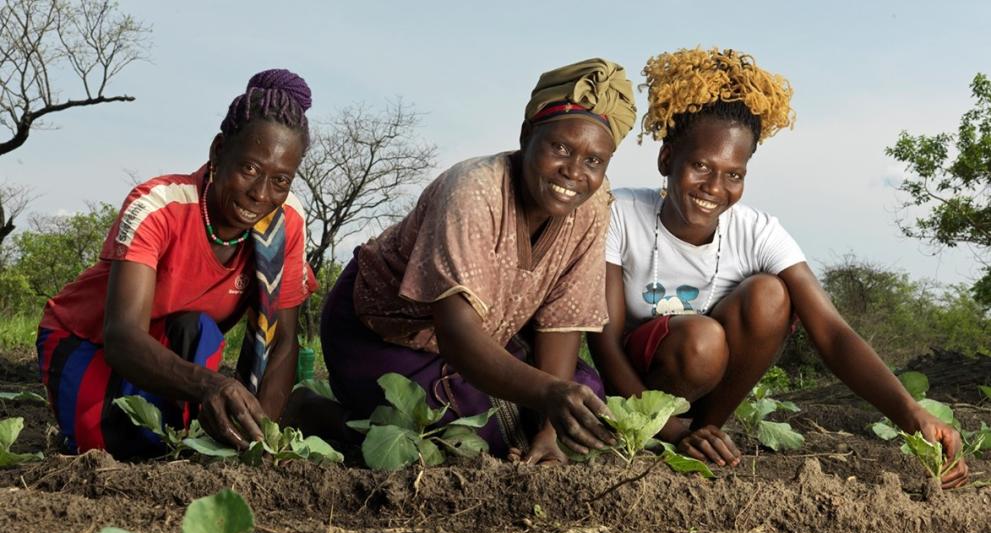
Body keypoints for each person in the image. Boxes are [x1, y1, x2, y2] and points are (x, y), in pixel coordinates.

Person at [588, 48, 968, 488]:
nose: (715, 187)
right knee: (701, 340)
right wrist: (665, 428)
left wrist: (911, 413)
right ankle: (671, 438)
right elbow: (605, 342)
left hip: (704, 398)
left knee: (773, 295)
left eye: (734, 174)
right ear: (667, 159)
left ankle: (707, 436)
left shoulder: (757, 231)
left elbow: (832, 331)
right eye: (700, 166)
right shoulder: (621, 213)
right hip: (636, 384)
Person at [314, 59, 637, 464]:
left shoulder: (592, 206)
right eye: (560, 148)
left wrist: (549, 429)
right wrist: (547, 393)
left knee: (583, 397)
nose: (573, 172)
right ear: (526, 134)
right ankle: (319, 415)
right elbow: (456, 333)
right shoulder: (473, 189)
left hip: (485, 337)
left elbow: (562, 324)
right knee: (468, 438)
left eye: (594, 161)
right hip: (384, 334)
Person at [36, 69, 317, 458]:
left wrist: (260, 439)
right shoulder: (158, 206)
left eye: (280, 180)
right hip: (91, 340)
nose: (260, 194)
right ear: (218, 151)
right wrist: (209, 386)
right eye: (249, 169)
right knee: (112, 448)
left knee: (189, 418)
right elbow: (121, 337)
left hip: (180, 347)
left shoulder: (287, 223)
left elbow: (283, 341)